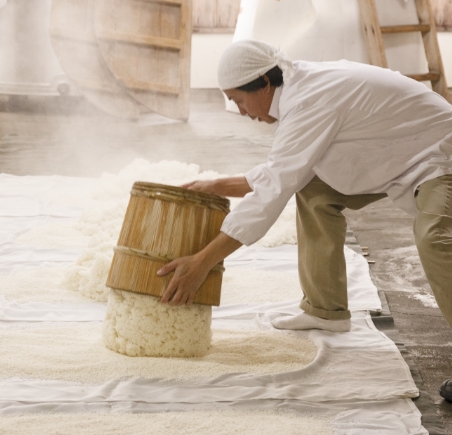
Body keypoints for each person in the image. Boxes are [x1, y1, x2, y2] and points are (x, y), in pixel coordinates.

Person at [157, 40, 452, 394]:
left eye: (238, 99)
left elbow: (276, 185)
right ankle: (325, 310)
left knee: (435, 237)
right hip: (398, 154)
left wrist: (202, 261)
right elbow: (288, 170)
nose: (240, 110)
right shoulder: (299, 89)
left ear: (264, 83)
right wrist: (220, 184)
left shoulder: (309, 99)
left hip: (439, 154)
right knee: (314, 191)